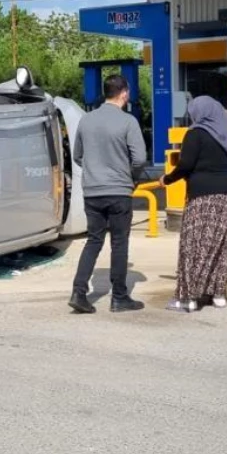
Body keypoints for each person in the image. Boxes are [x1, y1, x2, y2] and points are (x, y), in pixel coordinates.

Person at [68, 74, 148, 315]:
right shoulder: (128, 121)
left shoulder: (86, 121)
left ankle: (79, 292)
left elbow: (77, 155)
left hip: (92, 192)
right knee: (119, 242)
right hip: (119, 190)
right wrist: (131, 177)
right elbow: (140, 158)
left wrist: (96, 173)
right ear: (124, 92)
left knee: (93, 241)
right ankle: (119, 297)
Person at [162, 96, 227, 313]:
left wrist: (166, 179)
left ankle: (188, 298)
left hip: (203, 195)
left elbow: (185, 165)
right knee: (221, 244)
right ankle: (218, 294)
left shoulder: (195, 134)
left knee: (193, 244)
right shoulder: (226, 132)